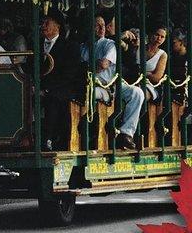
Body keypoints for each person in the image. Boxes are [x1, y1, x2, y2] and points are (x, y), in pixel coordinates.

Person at [84, 15, 144, 150]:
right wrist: (93, 65)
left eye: (103, 25)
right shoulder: (84, 46)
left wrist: (88, 65)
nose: (101, 29)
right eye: (97, 25)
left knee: (137, 93)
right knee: (87, 92)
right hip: (92, 84)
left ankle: (126, 133)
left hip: (110, 85)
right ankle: (91, 133)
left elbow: (103, 65)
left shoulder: (108, 44)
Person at [39, 8, 82, 150]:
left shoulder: (70, 46)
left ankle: (48, 139)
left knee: (53, 98)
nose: (43, 25)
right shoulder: (36, 44)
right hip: (39, 86)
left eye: (47, 22)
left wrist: (46, 89)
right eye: (43, 22)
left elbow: (69, 75)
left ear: (57, 26)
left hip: (62, 87)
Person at [144, 26, 168, 101]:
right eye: (157, 35)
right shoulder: (139, 47)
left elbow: (157, 78)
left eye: (162, 37)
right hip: (132, 81)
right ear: (151, 34)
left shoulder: (162, 54)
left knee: (142, 94)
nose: (159, 38)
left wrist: (143, 73)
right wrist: (149, 73)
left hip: (150, 86)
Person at [171, 29, 187, 103]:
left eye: (174, 42)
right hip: (174, 90)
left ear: (181, 42)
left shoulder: (188, 57)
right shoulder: (172, 57)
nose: (172, 44)